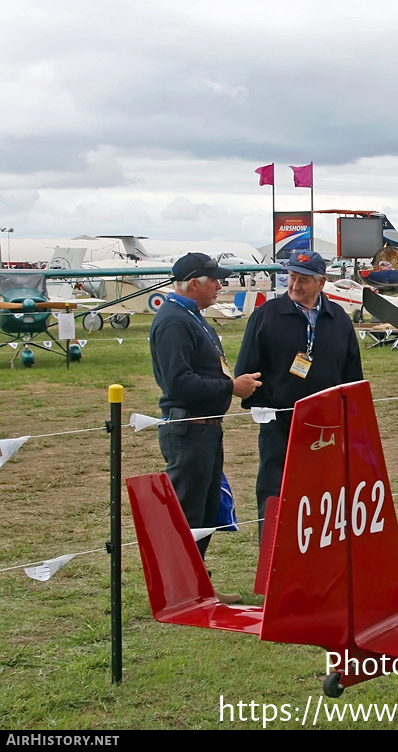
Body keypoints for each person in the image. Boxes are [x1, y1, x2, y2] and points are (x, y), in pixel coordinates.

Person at [150, 253, 262, 602]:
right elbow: (179, 383)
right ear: (194, 283)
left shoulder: (191, 318)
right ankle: (178, 589)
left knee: (204, 508)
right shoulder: (173, 322)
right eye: (213, 280)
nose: (219, 285)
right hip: (188, 429)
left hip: (206, 429)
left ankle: (195, 584)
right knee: (188, 511)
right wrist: (230, 387)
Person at [235, 250, 363, 537]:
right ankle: (272, 565)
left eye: (303, 280)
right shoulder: (266, 316)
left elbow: (352, 376)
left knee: (322, 495)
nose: (294, 285)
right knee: (275, 495)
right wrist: (268, 409)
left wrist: (348, 418)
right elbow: (247, 371)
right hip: (280, 426)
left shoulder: (338, 319)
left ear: (321, 282)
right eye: (292, 277)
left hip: (326, 428)